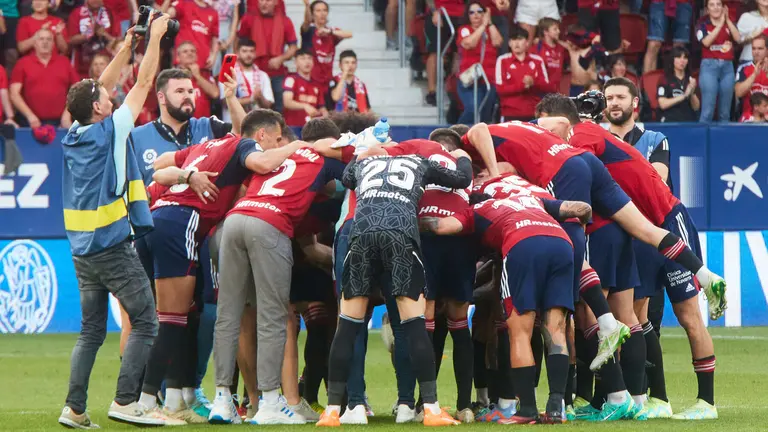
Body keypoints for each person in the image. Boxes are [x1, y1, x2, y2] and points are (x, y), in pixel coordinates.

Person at [535, 93, 723, 420]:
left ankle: (706, 401)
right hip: (636, 229)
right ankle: (649, 399)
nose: (541, 132)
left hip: (665, 218)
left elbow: (575, 171)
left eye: (543, 124)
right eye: (609, 96)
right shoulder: (592, 136)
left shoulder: (583, 135)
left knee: (688, 315)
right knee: (636, 315)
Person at [57, 17, 170, 429]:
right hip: (111, 246)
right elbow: (145, 82)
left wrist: (125, 48)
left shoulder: (74, 133)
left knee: (90, 332)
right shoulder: (112, 130)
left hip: (81, 251)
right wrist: (154, 38)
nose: (112, 94)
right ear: (100, 108)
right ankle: (125, 401)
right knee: (147, 321)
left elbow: (92, 90)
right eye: (107, 96)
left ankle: (75, 409)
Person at [134, 88, 266, 424]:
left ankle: (177, 399)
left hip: (151, 223)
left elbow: (158, 170)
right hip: (180, 224)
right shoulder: (240, 147)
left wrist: (187, 174)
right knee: (172, 320)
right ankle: (143, 402)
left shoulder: (202, 148)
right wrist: (297, 148)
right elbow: (259, 159)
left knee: (182, 318)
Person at [315, 147, 473, 427]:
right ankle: (429, 408)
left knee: (347, 326)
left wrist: (360, 155)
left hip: (361, 234)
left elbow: (347, 177)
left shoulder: (365, 165)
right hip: (400, 233)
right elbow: (462, 179)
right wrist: (463, 157)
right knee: (413, 325)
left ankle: (332, 411)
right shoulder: (420, 162)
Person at [209, 117, 346, 425]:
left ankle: (222, 400)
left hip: (234, 221)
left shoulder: (272, 158)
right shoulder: (322, 159)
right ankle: (271, 401)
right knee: (274, 316)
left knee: (228, 313)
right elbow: (341, 181)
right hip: (270, 224)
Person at [423, 192, 591, 424]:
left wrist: (409, 219)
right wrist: (584, 225)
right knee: (556, 329)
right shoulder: (532, 199)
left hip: (522, 244)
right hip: (562, 244)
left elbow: (440, 226)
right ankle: (555, 408)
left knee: (519, 330)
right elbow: (581, 207)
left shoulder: (476, 211)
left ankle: (528, 410)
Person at [603, 77, 673, 419]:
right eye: (608, 98)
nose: (613, 103)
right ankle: (614, 395)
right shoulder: (596, 138)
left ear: (634, 103)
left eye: (620, 96)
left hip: (644, 237)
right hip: (608, 237)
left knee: (643, 318)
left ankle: (654, 396)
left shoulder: (655, 139)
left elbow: (655, 180)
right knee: (608, 317)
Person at [129, 68, 234, 185]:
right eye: (180, 91)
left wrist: (231, 98)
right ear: (161, 97)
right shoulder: (136, 137)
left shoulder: (208, 126)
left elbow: (245, 134)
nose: (187, 96)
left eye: (190, 91)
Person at [238, 0, 299, 113]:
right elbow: (239, 43)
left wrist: (280, 59)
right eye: (261, 0)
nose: (263, 3)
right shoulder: (248, 19)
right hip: (253, 73)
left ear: (276, 2)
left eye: (268, 0)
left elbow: (293, 47)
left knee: (279, 110)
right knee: (253, 110)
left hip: (277, 73)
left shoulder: (285, 21)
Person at [10, 27, 77, 128]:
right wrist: (30, 116)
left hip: (61, 122)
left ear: (53, 44)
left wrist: (67, 115)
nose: (45, 42)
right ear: (34, 43)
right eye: (41, 39)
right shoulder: (22, 63)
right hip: (29, 122)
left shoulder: (64, 62)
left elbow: (78, 90)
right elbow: (14, 94)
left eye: (49, 39)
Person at [456, 2, 502, 124]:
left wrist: (489, 23)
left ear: (484, 14)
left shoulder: (490, 29)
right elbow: (469, 44)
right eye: (472, 12)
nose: (476, 15)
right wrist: (482, 26)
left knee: (485, 116)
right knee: (473, 109)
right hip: (470, 80)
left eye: (479, 11)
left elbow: (498, 42)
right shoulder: (465, 29)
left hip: (489, 80)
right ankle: (458, 132)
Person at [697, 0, 741, 122]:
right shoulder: (702, 24)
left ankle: (723, 135)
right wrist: (720, 24)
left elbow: (738, 39)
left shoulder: (729, 24)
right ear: (707, 9)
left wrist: (727, 20)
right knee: (708, 111)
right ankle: (702, 134)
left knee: (725, 113)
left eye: (718, 4)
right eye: (712, 5)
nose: (716, 7)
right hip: (709, 67)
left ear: (723, 7)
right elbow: (706, 42)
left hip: (727, 67)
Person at [495, 25, 549, 122]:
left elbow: (547, 87)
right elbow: (500, 89)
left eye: (520, 39)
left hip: (534, 114)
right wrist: (522, 86)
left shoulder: (538, 60)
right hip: (509, 115)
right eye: (513, 40)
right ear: (509, 43)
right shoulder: (502, 60)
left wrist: (533, 82)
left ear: (527, 42)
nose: (516, 43)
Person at [301, 0, 352, 97]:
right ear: (312, 14)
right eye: (318, 11)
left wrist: (329, 32)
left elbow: (349, 34)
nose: (322, 13)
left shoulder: (331, 32)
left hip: (327, 81)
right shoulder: (309, 31)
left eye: (324, 10)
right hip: (311, 81)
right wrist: (307, 6)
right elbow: (306, 22)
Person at [222, 38, 274, 123]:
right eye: (244, 51)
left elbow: (268, 105)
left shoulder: (263, 76)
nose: (248, 55)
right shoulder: (228, 73)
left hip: (256, 124)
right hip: (232, 124)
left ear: (255, 53)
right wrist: (251, 99)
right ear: (237, 53)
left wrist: (260, 97)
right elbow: (225, 102)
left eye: (251, 51)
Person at [423, 0, 465, 106]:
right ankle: (432, 92)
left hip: (459, 13)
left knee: (458, 53)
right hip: (439, 12)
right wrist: (434, 11)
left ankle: (453, 89)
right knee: (434, 52)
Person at [67, 0, 121, 79]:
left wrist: (104, 34)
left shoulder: (110, 13)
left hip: (107, 67)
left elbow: (118, 41)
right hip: (82, 69)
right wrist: (88, 34)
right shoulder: (77, 13)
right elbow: (71, 39)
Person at [643, 0, 693, 73]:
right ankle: (647, 79)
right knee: (654, 44)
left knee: (679, 47)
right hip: (659, 2)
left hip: (683, 2)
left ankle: (677, 79)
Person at [167, 0, 219, 70]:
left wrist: (213, 56)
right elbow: (167, 14)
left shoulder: (213, 12)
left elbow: (215, 38)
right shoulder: (183, 2)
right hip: (183, 63)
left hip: (203, 63)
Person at [176, 41, 220, 118]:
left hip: (203, 123)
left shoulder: (205, 74)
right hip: (181, 122)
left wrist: (198, 76)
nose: (190, 53)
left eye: (192, 51)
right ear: (178, 58)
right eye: (185, 51)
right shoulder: (172, 76)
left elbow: (215, 93)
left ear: (196, 56)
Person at [283, 49, 326, 128]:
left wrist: (325, 115)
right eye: (302, 58)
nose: (307, 61)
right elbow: (287, 102)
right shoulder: (291, 79)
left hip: (311, 127)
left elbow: (321, 107)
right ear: (295, 62)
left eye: (309, 58)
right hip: (293, 126)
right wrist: (305, 106)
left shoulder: (317, 84)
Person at [657, 46, 699, 122]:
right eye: (679, 57)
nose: (682, 61)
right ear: (672, 59)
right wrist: (684, 96)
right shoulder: (664, 79)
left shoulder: (690, 79)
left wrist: (692, 92)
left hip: (688, 120)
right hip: (669, 120)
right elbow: (662, 104)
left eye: (685, 58)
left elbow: (696, 107)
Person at [529, 17, 566, 95]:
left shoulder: (561, 48)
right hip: (539, 93)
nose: (558, 31)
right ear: (545, 32)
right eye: (555, 29)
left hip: (556, 92)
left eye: (558, 29)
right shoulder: (536, 49)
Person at [735, 35, 768, 122]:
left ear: (767, 50)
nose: (756, 52)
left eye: (760, 48)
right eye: (754, 48)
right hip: (749, 117)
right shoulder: (744, 68)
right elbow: (738, 93)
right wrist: (754, 75)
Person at [212, 0, 239, 76]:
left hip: (228, 31)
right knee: (214, 61)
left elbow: (235, 18)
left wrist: (229, 40)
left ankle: (227, 80)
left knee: (229, 61)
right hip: (212, 30)